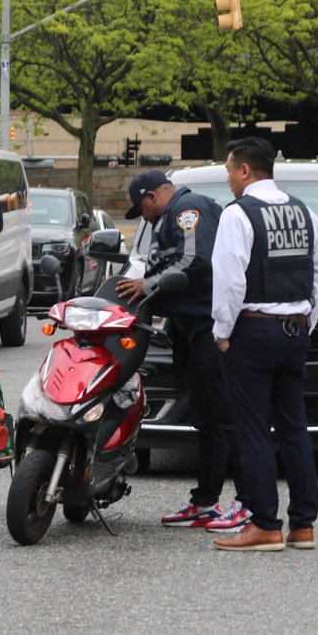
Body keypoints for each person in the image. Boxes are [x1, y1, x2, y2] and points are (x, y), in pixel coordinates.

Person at [210, 137, 318, 552]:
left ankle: (264, 524)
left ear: (245, 170)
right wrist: (305, 323)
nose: (228, 179)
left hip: (253, 331)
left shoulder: (238, 215)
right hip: (295, 331)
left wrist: (222, 333)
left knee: (254, 430)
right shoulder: (306, 213)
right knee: (295, 427)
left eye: (229, 170)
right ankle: (304, 526)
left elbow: (229, 280)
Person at [115, 171, 249, 532]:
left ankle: (249, 504)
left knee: (224, 417)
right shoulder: (167, 219)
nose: (143, 215)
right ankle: (205, 502)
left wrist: (148, 284)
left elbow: (194, 260)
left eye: (141, 206)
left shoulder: (186, 209)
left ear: (153, 195)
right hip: (188, 330)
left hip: (210, 328)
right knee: (206, 418)